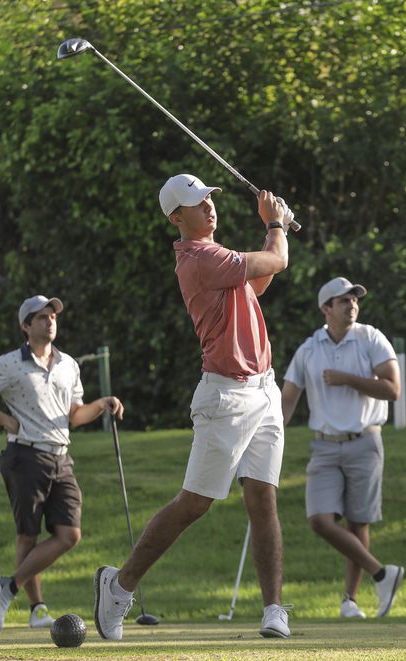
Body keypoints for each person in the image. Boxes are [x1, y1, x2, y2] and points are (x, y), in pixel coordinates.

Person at [93, 173, 293, 641]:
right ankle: (119, 587)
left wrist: (275, 229)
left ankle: (273, 609)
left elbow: (260, 281)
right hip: (225, 397)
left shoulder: (218, 256)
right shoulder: (199, 259)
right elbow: (278, 259)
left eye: (208, 199)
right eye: (196, 203)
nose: (208, 207)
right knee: (194, 503)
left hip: (264, 390)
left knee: (263, 498)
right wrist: (275, 224)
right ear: (175, 218)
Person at [0, 294, 124, 630]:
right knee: (27, 536)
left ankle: (8, 587)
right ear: (25, 325)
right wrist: (4, 420)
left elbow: (75, 415)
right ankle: (37, 610)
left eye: (53, 317)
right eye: (42, 317)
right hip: (25, 456)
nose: (50, 322)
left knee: (70, 534)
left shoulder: (69, 365)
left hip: (61, 457)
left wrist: (101, 404)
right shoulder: (9, 364)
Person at [281, 277, 404, 619]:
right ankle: (383, 574)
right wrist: (269, 436)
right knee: (320, 520)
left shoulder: (371, 338)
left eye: (354, 299)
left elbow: (393, 389)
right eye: (344, 300)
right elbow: (288, 398)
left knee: (358, 523)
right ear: (326, 308)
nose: (352, 305)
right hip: (324, 447)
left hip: (365, 442)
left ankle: (350, 601)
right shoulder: (309, 349)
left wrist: (347, 379)